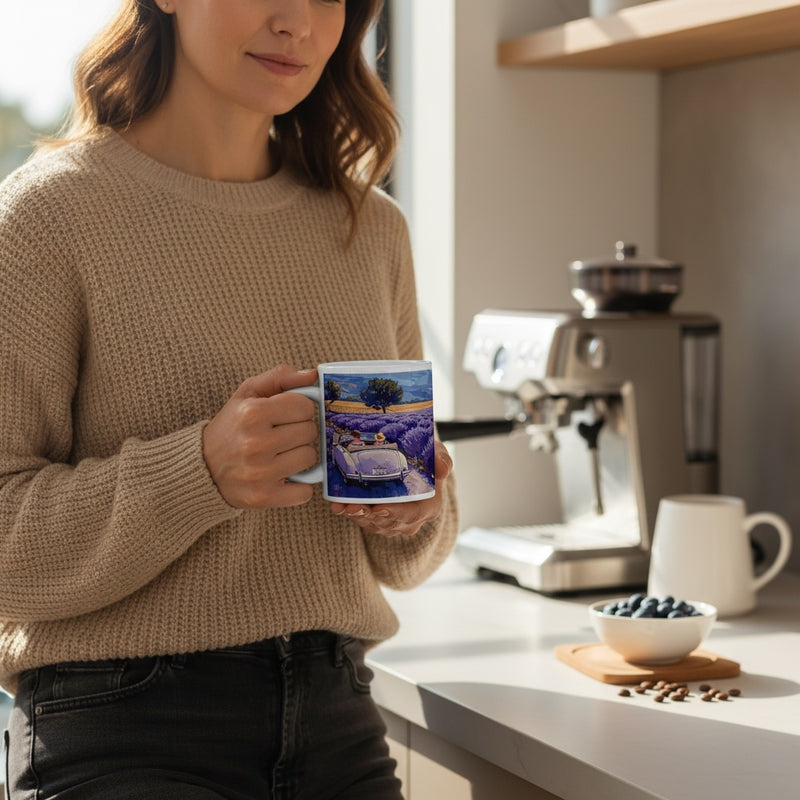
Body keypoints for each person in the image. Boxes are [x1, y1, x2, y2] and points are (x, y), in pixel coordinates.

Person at [0, 1, 458, 798]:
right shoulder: (48, 217)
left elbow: (406, 555)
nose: (299, 23)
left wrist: (415, 505)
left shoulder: (371, 228)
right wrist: (199, 472)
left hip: (339, 718)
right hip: (123, 727)